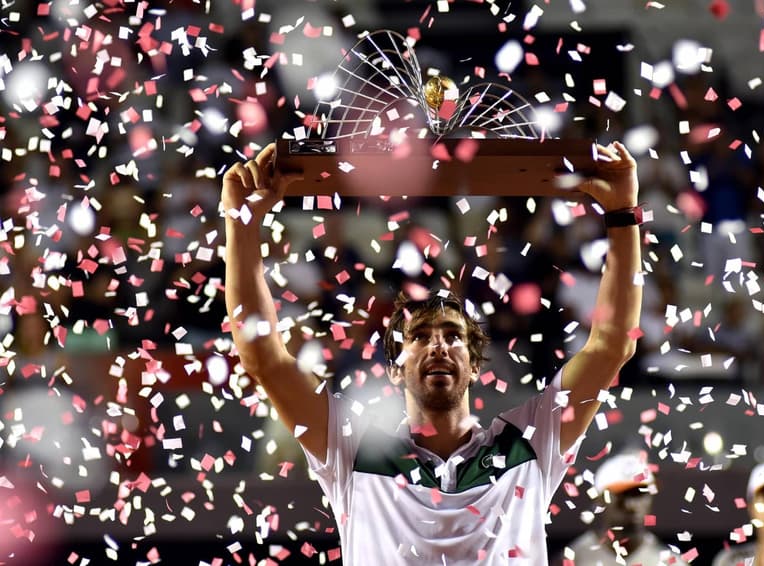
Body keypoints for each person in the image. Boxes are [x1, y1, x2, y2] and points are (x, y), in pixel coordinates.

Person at [221, 140, 643, 564]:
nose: (438, 344)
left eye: (453, 336)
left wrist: (624, 215)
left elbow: (612, 345)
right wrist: (241, 223)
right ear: (395, 370)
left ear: (476, 365)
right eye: (419, 336)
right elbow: (264, 359)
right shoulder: (353, 449)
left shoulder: (530, 443)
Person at [562, 452, 686, 566]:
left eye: (639, 495)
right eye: (621, 495)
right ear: (600, 500)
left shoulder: (670, 562)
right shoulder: (573, 558)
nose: (630, 505)